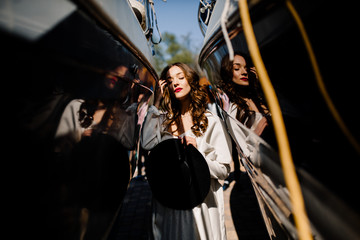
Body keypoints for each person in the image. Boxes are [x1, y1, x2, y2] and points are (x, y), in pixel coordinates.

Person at [141, 62, 232, 240]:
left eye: (180, 78)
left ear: (191, 80)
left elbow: (224, 169)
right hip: (168, 205)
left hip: (200, 206)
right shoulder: (163, 119)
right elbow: (147, 143)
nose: (175, 83)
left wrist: (196, 156)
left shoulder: (210, 121)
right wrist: (157, 101)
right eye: (170, 80)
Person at [219, 52, 271, 136]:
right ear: (227, 73)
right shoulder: (233, 111)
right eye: (237, 68)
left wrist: (261, 84)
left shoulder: (259, 97)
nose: (244, 72)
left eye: (246, 68)